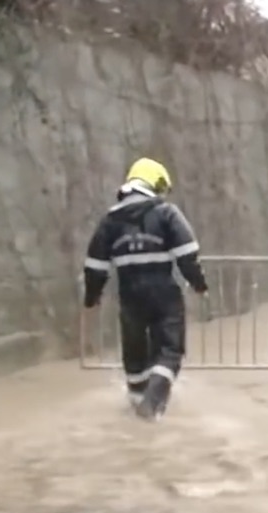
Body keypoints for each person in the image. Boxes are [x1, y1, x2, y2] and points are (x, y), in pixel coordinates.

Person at [82, 158, 208, 420]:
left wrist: (92, 297)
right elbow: (188, 254)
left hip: (129, 296)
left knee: (135, 354)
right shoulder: (166, 213)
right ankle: (151, 406)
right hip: (164, 292)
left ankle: (136, 406)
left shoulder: (110, 221)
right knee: (170, 350)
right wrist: (198, 284)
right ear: (155, 184)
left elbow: (95, 264)